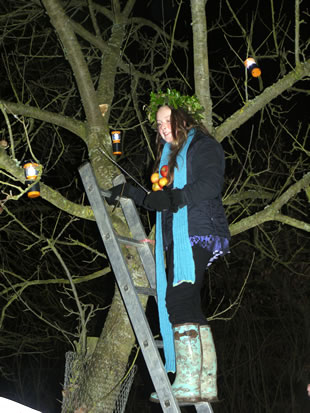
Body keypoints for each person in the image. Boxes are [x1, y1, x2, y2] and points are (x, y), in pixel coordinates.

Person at [107, 104, 230, 404]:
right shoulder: (167, 162)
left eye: (168, 120)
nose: (162, 127)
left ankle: (188, 381)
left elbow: (211, 184)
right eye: (159, 123)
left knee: (178, 299)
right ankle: (204, 381)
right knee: (187, 302)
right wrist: (131, 193)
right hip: (179, 235)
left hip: (197, 230)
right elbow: (159, 202)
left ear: (183, 118)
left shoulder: (203, 145)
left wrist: (175, 196)